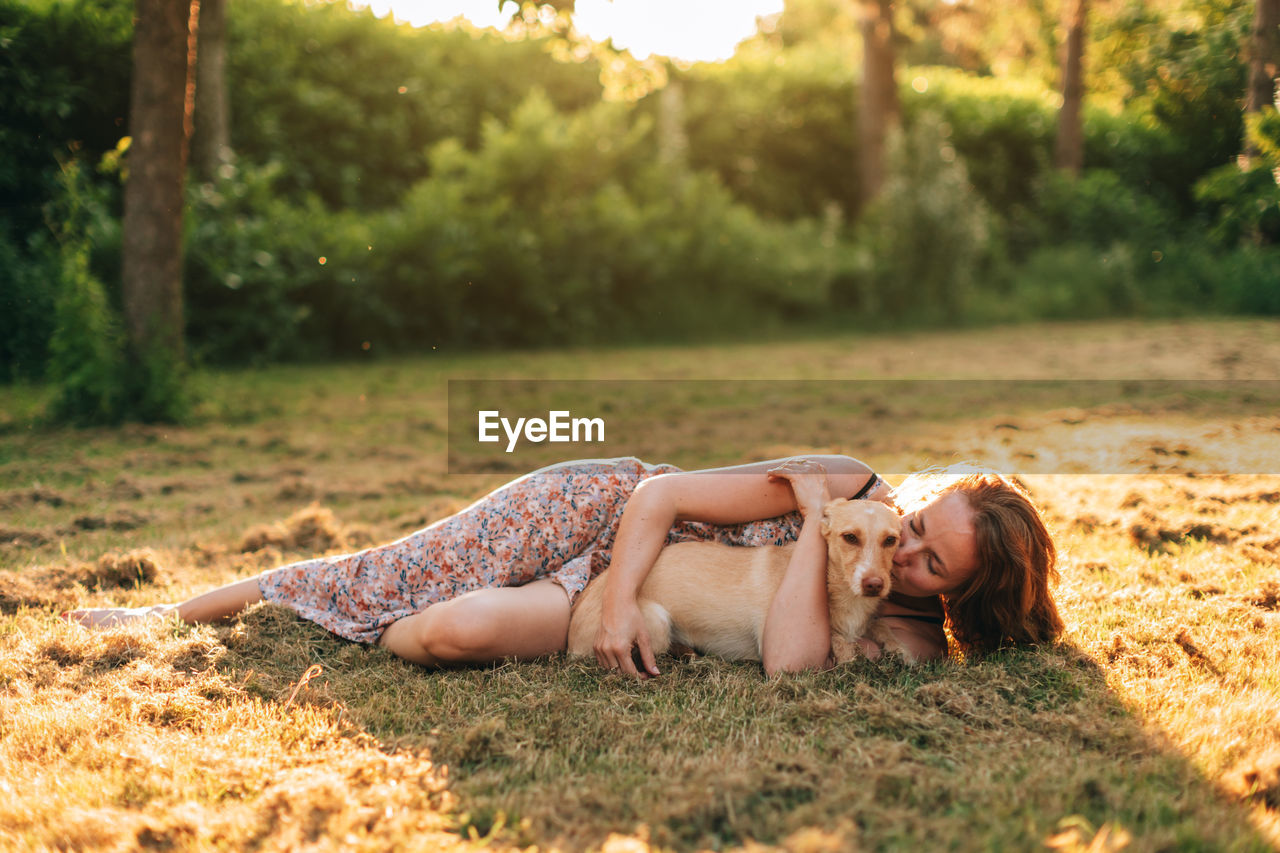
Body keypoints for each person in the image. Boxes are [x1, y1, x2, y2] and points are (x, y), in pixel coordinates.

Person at [63, 455, 1064, 676]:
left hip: (616, 590)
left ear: (960, 597)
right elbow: (656, 500)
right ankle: (160, 621)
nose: (906, 556)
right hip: (599, 518)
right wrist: (620, 603)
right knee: (387, 570)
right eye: (922, 521)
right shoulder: (846, 487)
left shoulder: (895, 626)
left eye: (932, 562)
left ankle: (374, 623)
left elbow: (792, 667)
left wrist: (814, 538)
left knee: (450, 631)